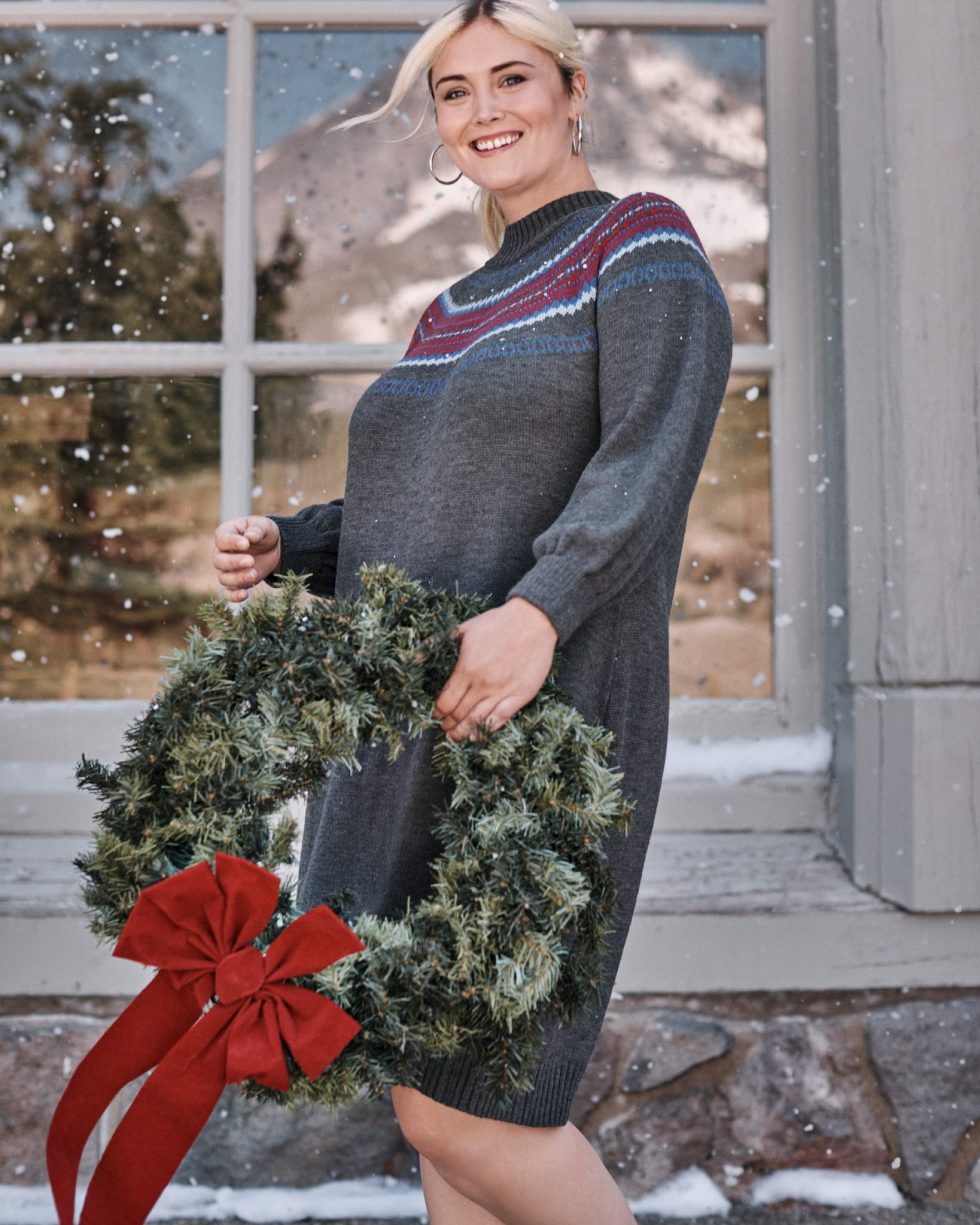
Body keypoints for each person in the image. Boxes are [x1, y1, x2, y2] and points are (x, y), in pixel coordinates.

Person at [212, 2, 732, 1221]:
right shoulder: (452, 305)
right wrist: (297, 541)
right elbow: (432, 501)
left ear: (573, 92)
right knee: (426, 1098)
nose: (484, 110)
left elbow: (645, 460)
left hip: (545, 711)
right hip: (409, 725)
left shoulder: (639, 243)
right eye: (454, 91)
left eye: (512, 79)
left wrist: (540, 608)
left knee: (477, 1105)